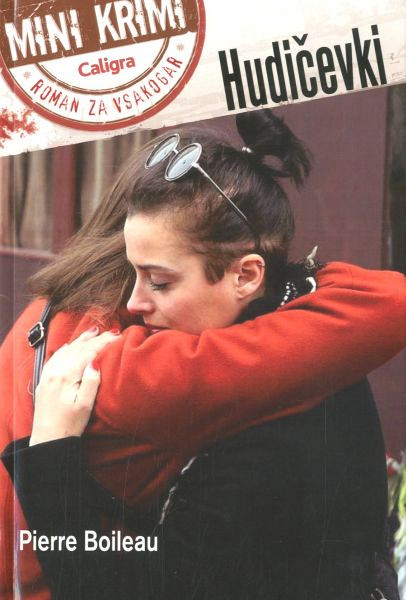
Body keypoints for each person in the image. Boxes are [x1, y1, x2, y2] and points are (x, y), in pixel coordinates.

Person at [1, 110, 405, 600]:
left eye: (160, 281)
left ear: (246, 275)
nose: (136, 302)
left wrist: (50, 449)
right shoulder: (321, 339)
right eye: (134, 274)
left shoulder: (258, 412)